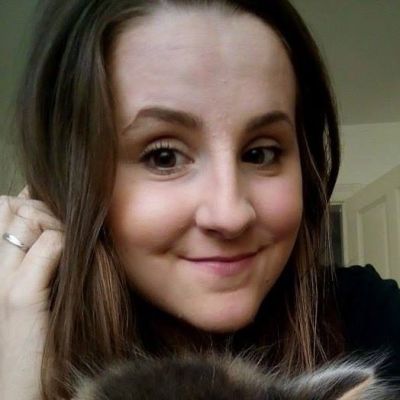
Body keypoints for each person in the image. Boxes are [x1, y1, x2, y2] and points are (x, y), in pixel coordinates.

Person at [0, 0, 399, 399]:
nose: (230, 215)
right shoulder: (13, 335)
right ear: (74, 180)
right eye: (163, 156)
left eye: (260, 153)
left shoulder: (373, 316)